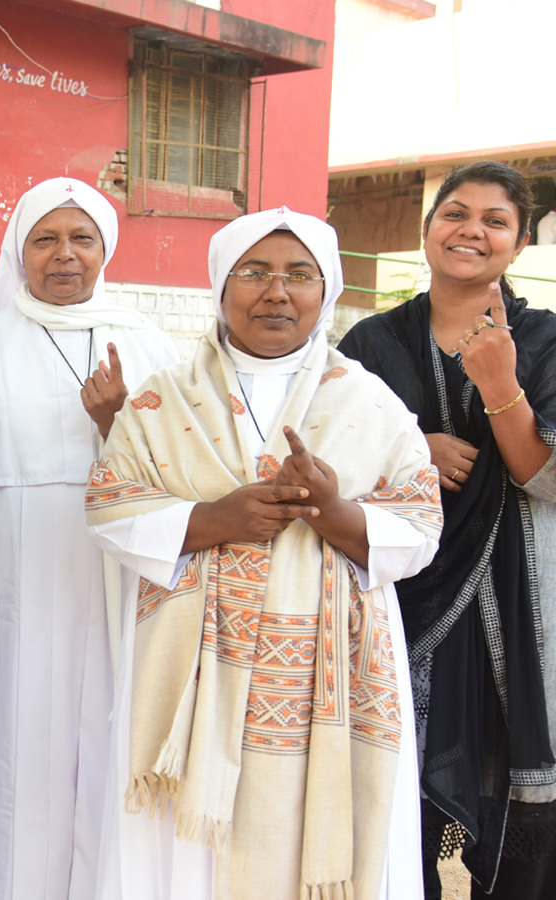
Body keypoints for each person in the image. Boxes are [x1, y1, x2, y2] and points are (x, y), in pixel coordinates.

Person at [86, 207, 444, 900]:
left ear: (326, 292)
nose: (276, 291)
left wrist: (335, 512)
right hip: (191, 670)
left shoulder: (372, 404)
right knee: (182, 861)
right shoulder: (163, 400)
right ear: (221, 287)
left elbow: (421, 524)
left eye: (299, 275)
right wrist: (213, 518)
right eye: (253, 272)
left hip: (326, 669)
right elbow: (108, 505)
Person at [0, 177, 179, 900]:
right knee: (12, 739)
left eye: (82, 238)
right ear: (20, 249)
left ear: (106, 247)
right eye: (45, 239)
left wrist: (116, 427)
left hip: (115, 572)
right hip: (5, 572)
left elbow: (182, 471)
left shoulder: (152, 343)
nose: (64, 255)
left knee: (104, 734)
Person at [339, 162, 556, 900]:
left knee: (517, 806)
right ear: (427, 230)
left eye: (495, 221)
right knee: (398, 800)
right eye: (455, 213)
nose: (472, 231)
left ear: (519, 244)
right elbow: (322, 455)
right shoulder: (371, 343)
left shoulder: (547, 340)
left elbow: (545, 474)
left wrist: (502, 387)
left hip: (521, 601)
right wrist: (411, 443)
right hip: (402, 603)